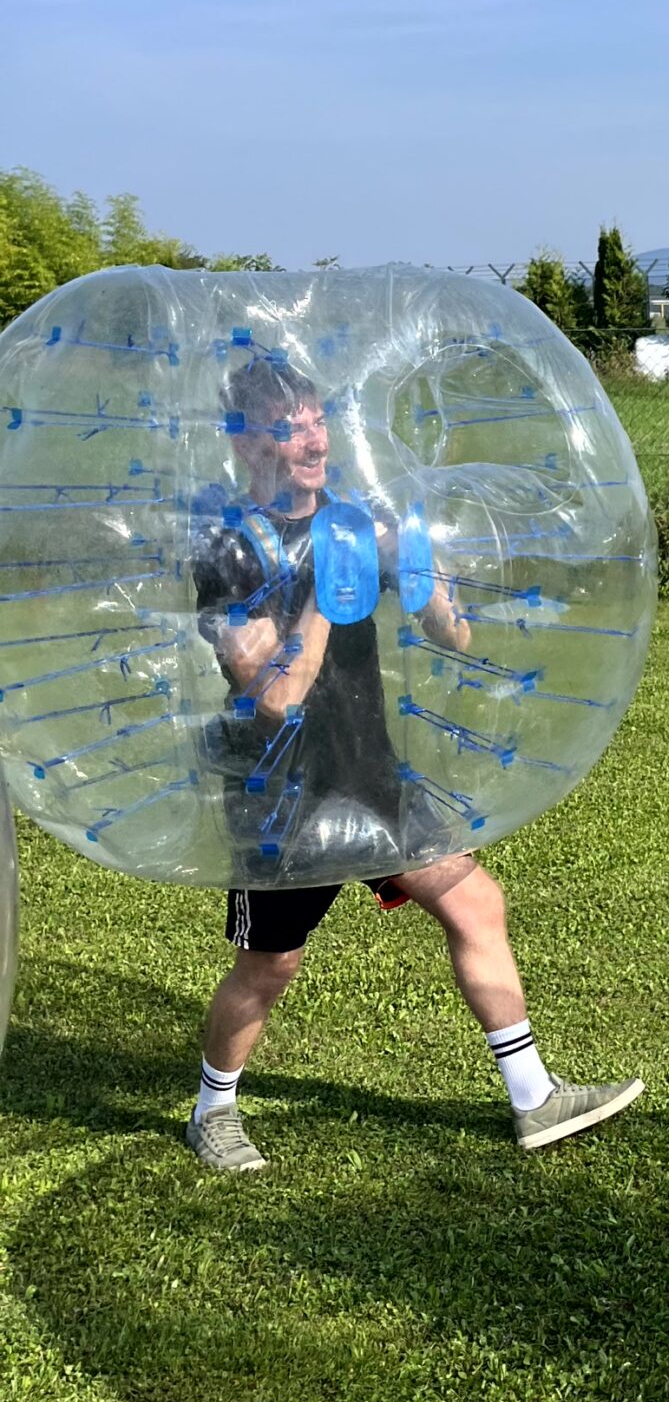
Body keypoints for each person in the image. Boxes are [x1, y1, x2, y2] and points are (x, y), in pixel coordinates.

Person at [185, 352, 642, 1174]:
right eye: (289, 427)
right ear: (249, 445)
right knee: (270, 964)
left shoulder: (354, 522)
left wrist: (424, 574)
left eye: (318, 417)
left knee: (475, 903)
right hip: (281, 793)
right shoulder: (230, 555)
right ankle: (212, 1111)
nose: (313, 437)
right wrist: (329, 593)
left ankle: (533, 1095)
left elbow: (452, 635)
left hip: (370, 772)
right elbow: (276, 699)